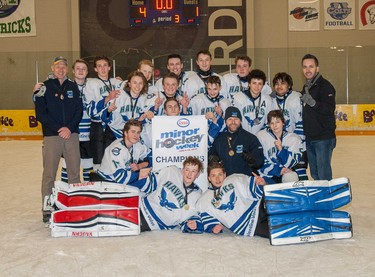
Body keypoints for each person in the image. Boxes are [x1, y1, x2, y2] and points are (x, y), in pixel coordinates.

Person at [33, 56, 83, 223]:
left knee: (74, 173)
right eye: (57, 66)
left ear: (67, 69)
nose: (61, 69)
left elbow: (79, 110)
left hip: (71, 134)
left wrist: (69, 128)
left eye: (63, 66)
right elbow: (40, 114)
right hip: (52, 136)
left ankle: (75, 204)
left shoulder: (73, 87)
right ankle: (47, 207)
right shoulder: (43, 88)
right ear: (52, 68)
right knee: (49, 174)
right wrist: (58, 129)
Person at [130, 156, 204, 233]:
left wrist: (193, 224)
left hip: (153, 223)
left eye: (193, 171)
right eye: (187, 169)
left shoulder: (197, 194)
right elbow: (150, 182)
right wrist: (132, 185)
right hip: (142, 207)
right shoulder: (172, 171)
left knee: (123, 228)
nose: (189, 174)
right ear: (182, 170)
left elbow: (192, 215)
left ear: (198, 174)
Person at [196, 161, 269, 237]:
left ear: (224, 175)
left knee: (278, 202)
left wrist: (261, 184)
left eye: (220, 174)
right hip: (248, 226)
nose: (217, 179)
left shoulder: (234, 178)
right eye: (213, 176)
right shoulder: (203, 200)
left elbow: (256, 190)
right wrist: (213, 226)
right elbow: (207, 218)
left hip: (258, 208)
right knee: (278, 233)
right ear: (209, 178)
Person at [301, 54, 336, 180]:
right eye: (305, 67)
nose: (308, 70)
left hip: (323, 138)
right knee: (315, 173)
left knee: (323, 174)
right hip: (310, 137)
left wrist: (314, 103)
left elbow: (329, 109)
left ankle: (327, 198)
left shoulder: (325, 86)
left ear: (317, 68)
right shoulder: (306, 87)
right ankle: (320, 198)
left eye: (311, 66)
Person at [84, 55, 122, 169]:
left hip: (115, 127)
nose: (103, 68)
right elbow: (91, 110)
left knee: (115, 159)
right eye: (99, 66)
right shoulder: (91, 84)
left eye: (105, 65)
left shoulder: (117, 82)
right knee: (99, 162)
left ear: (110, 67)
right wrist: (108, 98)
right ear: (95, 69)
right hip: (99, 128)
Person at [60, 59, 93, 182]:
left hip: (88, 136)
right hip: (71, 134)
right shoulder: (65, 86)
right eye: (78, 68)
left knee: (88, 167)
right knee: (67, 166)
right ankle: (64, 193)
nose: (80, 71)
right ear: (73, 71)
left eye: (83, 68)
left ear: (87, 72)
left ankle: (88, 195)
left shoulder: (92, 86)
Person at [270, 72, 307, 180]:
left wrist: (296, 141)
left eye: (283, 83)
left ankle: (304, 194)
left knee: (300, 171)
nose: (279, 86)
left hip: (296, 142)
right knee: (285, 172)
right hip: (280, 144)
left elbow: (301, 122)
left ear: (289, 85)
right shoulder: (272, 100)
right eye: (276, 84)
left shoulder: (296, 97)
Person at [209, 106, 264, 176]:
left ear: (240, 121)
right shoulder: (219, 138)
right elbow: (210, 156)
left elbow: (260, 162)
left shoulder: (251, 138)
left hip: (245, 180)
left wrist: (253, 160)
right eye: (230, 119)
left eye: (236, 119)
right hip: (225, 180)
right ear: (225, 121)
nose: (233, 122)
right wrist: (212, 158)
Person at [94, 119, 152, 184]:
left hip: (121, 181)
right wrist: (141, 174)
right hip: (106, 181)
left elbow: (153, 158)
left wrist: (140, 166)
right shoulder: (116, 150)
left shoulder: (137, 145)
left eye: (138, 132)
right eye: (133, 132)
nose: (136, 135)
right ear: (125, 133)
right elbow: (121, 178)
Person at [256, 110, 303, 184]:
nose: (275, 126)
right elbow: (258, 162)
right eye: (272, 123)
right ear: (268, 125)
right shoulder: (261, 136)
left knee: (291, 177)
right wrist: (278, 170)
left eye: (277, 122)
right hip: (267, 174)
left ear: (283, 122)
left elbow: (292, 163)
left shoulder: (294, 138)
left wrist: (281, 150)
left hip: (286, 173)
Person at [103, 71, 148, 140]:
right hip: (114, 133)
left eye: (140, 83)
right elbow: (103, 116)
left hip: (132, 135)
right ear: (129, 84)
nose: (137, 86)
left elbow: (142, 120)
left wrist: (140, 120)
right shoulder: (118, 95)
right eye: (134, 82)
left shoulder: (144, 99)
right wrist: (109, 110)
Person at [189, 75, 231, 148]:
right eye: (209, 89)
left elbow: (228, 124)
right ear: (206, 87)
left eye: (215, 89)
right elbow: (191, 120)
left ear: (220, 88)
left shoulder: (226, 102)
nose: (212, 92)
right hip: (202, 137)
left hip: (219, 138)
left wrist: (220, 115)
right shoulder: (197, 100)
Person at [232, 69, 274, 135]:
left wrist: (261, 135)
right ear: (249, 84)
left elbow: (269, 122)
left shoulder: (268, 100)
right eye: (254, 83)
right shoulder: (238, 98)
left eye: (259, 83)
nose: (257, 87)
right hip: (242, 136)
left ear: (263, 85)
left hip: (260, 137)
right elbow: (235, 120)